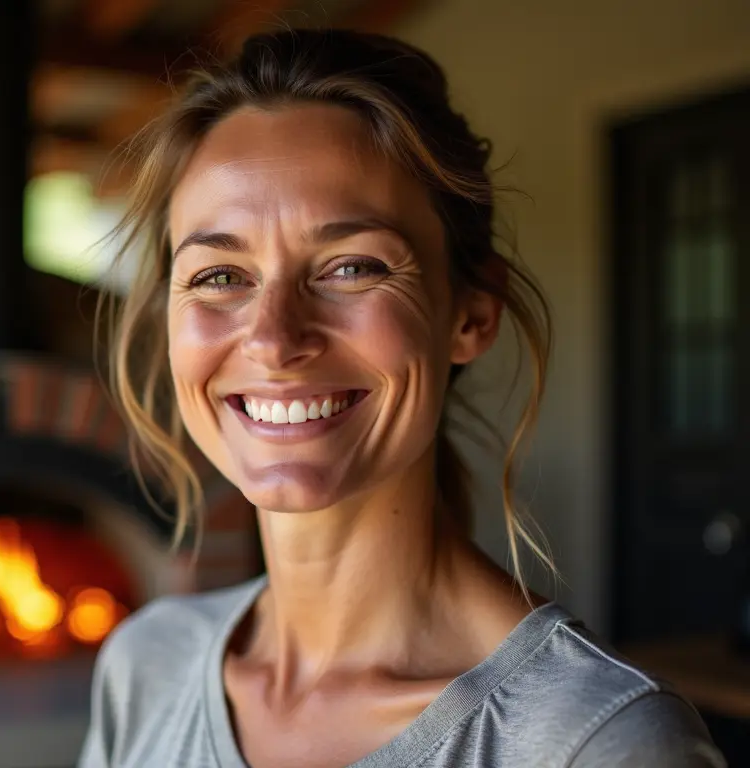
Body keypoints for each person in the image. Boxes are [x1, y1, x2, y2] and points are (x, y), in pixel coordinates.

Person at [78, 28, 725, 768]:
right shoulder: (145, 667)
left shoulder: (596, 743)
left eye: (351, 267)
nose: (274, 339)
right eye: (220, 276)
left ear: (471, 314)